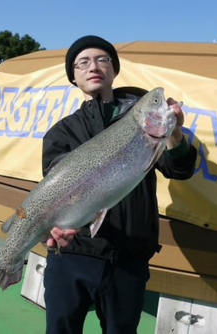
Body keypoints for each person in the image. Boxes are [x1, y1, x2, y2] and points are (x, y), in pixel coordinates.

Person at [41, 35, 198, 334]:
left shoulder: (143, 119)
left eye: (102, 59)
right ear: (73, 77)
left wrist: (174, 134)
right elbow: (53, 194)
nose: (93, 66)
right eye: (82, 62)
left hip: (129, 260)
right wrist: (56, 230)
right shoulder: (61, 133)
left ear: (114, 69)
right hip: (73, 256)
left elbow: (181, 170)